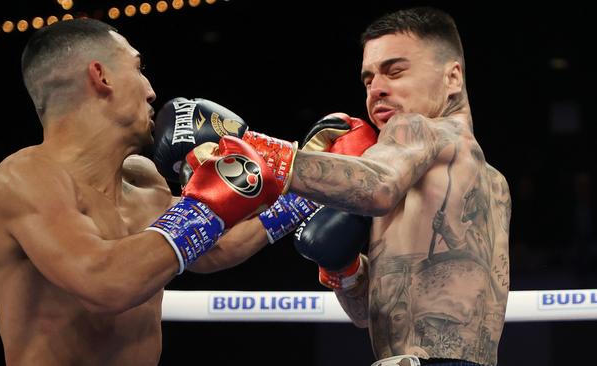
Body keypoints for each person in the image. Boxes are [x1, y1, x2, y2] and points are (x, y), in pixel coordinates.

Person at [0, 18, 316, 366]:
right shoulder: (24, 178)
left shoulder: (142, 178)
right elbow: (105, 281)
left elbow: (215, 246)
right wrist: (212, 201)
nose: (151, 91)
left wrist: (312, 191)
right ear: (101, 76)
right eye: (138, 68)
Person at [185, 6, 510, 366]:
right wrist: (346, 269)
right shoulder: (495, 184)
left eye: (396, 71)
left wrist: (254, 149)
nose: (378, 89)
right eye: (368, 79)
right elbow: (372, 315)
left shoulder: (417, 129)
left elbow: (377, 186)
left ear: (452, 78)